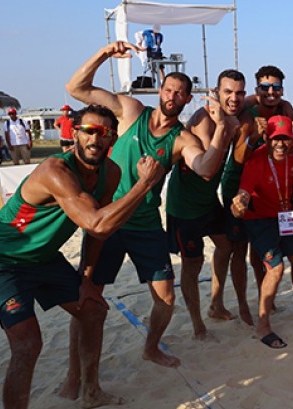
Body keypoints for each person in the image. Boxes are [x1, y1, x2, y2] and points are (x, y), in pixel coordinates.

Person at [0, 104, 165, 409]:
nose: (96, 138)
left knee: (94, 308)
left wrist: (87, 276)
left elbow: (98, 234)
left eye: (105, 132)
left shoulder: (109, 172)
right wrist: (145, 184)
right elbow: (97, 222)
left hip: (43, 257)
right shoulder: (55, 170)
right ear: (74, 132)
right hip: (0, 258)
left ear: (112, 138)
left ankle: (90, 391)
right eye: (89, 130)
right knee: (28, 344)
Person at [64, 41, 231, 371]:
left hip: (145, 223)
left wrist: (223, 128)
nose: (172, 96)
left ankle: (151, 347)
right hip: (108, 220)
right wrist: (105, 53)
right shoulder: (130, 111)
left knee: (167, 298)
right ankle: (74, 372)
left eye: (180, 93)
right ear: (161, 90)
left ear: (187, 99)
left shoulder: (182, 139)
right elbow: (75, 88)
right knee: (89, 297)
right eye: (169, 89)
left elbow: (206, 167)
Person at [165, 69, 248, 340]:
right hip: (185, 207)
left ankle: (215, 303)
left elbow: (259, 99)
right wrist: (223, 128)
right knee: (193, 263)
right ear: (216, 93)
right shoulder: (204, 121)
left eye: (239, 93)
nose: (234, 98)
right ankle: (197, 323)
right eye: (228, 92)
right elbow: (207, 171)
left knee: (226, 246)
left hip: (208, 201)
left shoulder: (232, 107)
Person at [219, 65, 293, 319]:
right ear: (257, 90)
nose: (271, 92)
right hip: (238, 182)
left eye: (276, 87)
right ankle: (243, 303)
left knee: (262, 245)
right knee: (239, 248)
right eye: (265, 87)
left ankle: (267, 297)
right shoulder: (247, 115)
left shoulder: (285, 111)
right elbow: (240, 157)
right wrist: (255, 135)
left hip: (270, 187)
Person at [230, 115, 293, 349]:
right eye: (276, 139)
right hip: (260, 219)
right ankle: (263, 324)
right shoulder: (255, 161)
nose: (280, 144)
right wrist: (240, 201)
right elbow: (244, 191)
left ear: (292, 140)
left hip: (286, 214)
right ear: (267, 138)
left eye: (285, 139)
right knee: (275, 268)